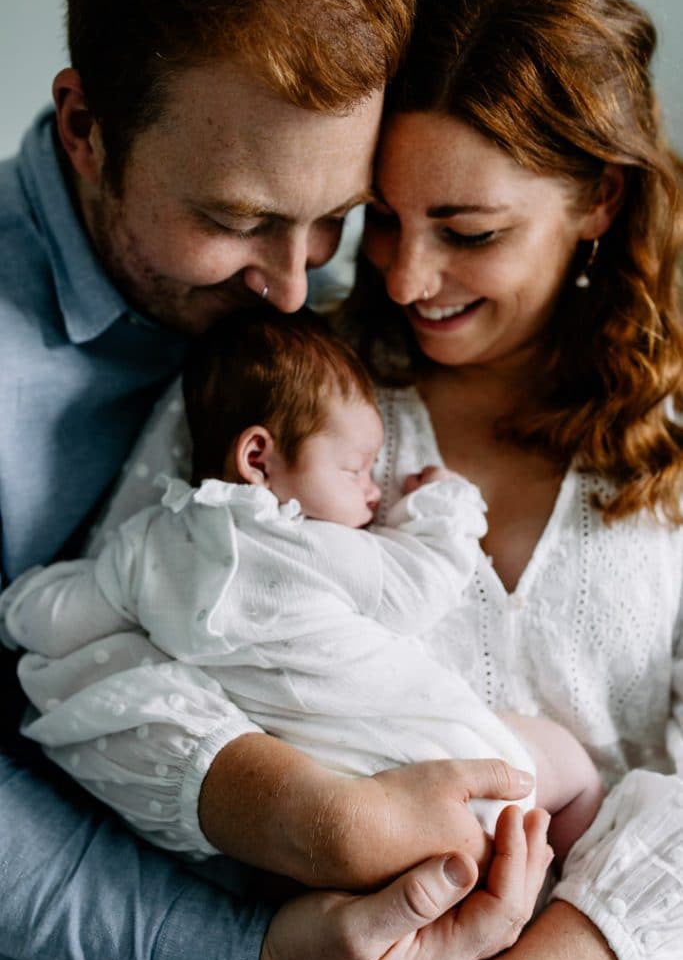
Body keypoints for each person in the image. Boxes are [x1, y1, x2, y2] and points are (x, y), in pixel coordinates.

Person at [72, 0, 683, 960]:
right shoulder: (282, 393)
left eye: (468, 231)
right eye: (382, 221)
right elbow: (103, 663)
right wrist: (317, 822)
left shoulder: (670, 442)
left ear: (599, 200)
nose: (403, 279)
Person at [1, 308, 601, 885]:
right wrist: (443, 505)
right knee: (570, 767)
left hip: (339, 804)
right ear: (258, 459)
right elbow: (426, 581)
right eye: (354, 469)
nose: (372, 490)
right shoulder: (320, 549)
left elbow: (64, 616)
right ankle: (570, 874)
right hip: (448, 761)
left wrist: (16, 607)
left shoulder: (147, 544)